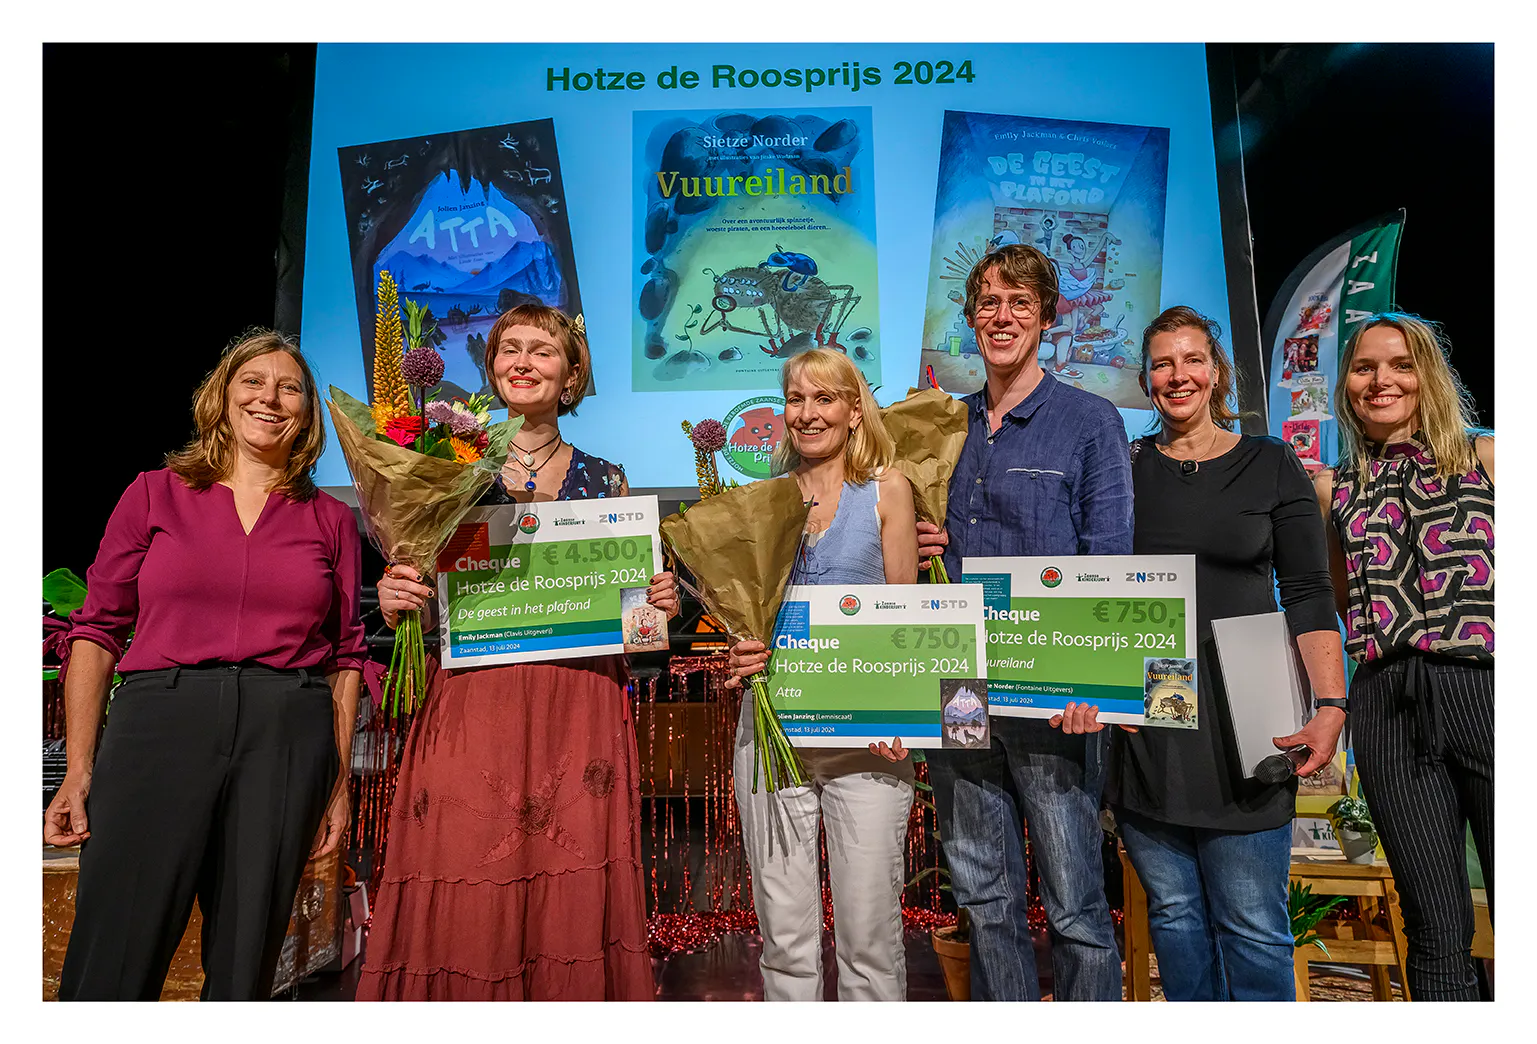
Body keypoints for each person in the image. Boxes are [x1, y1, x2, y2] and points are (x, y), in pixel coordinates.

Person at [357, 304, 680, 1001]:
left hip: (577, 700)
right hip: (475, 694)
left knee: (571, 864)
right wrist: (396, 593)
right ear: (492, 368)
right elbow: (427, 581)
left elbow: (637, 625)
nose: (523, 362)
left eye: (542, 350)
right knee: (465, 857)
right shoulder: (446, 467)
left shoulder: (608, 481)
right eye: (509, 349)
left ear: (569, 375)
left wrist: (656, 606)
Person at [48, 330, 364, 1000]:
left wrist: (336, 784)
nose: (269, 398)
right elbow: (97, 632)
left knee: (244, 961)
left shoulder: (331, 519)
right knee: (115, 948)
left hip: (286, 732)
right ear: (220, 396)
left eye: (290, 388)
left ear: (307, 413)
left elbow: (344, 659)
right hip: (161, 721)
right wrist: (79, 772)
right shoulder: (154, 493)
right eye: (253, 381)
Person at [1052, 305, 1347, 1001]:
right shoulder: (1125, 468)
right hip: (1151, 714)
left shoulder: (1270, 462)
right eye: (1161, 363)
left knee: (1250, 925)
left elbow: (1307, 591)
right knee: (1176, 921)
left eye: (1190, 360)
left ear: (1215, 374)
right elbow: (1084, 584)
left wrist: (1330, 704)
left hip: (1249, 712)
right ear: (1145, 380)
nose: (1176, 375)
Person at [915, 243, 1131, 1001]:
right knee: (983, 901)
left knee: (1075, 908)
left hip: (1052, 702)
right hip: (961, 687)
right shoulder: (946, 425)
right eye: (987, 303)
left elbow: (1108, 560)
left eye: (1018, 304)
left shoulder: (1088, 421)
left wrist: (1095, 684)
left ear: (1045, 318)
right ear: (971, 316)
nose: (1000, 317)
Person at [725, 348, 920, 1001]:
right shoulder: (760, 500)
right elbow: (743, 617)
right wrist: (739, 650)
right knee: (785, 942)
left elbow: (908, 615)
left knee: (868, 940)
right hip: (773, 738)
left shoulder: (887, 490)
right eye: (795, 399)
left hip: (868, 741)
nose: (807, 414)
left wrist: (909, 716)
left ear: (853, 409)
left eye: (823, 399)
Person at [1313, 312, 1494, 1001]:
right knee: (1433, 925)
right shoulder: (1333, 489)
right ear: (1347, 384)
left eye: (1399, 364)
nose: (1380, 380)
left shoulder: (1490, 456)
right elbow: (1339, 595)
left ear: (1428, 374)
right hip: (1387, 703)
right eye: (1363, 368)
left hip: (1489, 689)